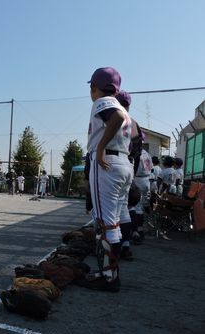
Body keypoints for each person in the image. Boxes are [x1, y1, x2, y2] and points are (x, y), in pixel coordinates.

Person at [78, 67, 133, 292]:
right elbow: (121, 117)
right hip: (123, 164)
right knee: (115, 224)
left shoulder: (104, 101)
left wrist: (100, 147)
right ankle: (111, 274)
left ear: (95, 87)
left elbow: (116, 117)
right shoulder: (122, 105)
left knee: (104, 223)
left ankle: (109, 279)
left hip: (107, 163)